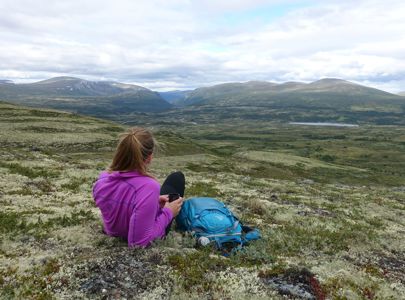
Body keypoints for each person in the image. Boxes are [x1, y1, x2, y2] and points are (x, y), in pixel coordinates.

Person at [92, 127, 185, 247]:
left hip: (114, 231)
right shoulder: (149, 187)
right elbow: (138, 243)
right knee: (177, 178)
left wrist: (154, 202)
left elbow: (122, 200)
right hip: (141, 236)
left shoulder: (102, 180)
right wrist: (169, 212)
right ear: (149, 158)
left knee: (172, 182)